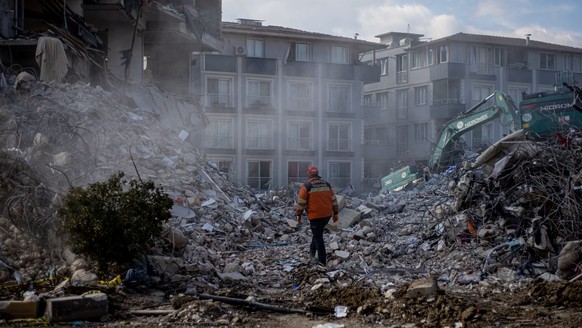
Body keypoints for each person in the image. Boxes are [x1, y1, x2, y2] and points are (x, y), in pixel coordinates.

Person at [295, 165, 339, 267]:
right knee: (317, 233)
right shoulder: (326, 184)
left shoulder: (306, 185)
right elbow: (334, 200)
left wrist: (298, 214)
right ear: (317, 173)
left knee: (318, 236)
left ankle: (322, 261)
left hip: (315, 215)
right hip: (327, 215)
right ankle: (312, 253)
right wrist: (335, 213)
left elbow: (301, 202)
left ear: (308, 174)